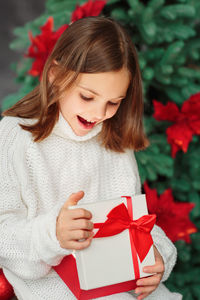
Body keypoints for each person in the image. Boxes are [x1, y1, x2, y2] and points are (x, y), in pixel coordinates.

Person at [0, 16, 182, 300]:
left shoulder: (114, 140)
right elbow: (3, 234)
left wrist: (156, 256)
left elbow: (136, 221)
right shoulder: (16, 136)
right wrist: (53, 234)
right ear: (56, 75)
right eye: (87, 97)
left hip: (118, 281)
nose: (99, 114)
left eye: (113, 103)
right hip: (53, 287)